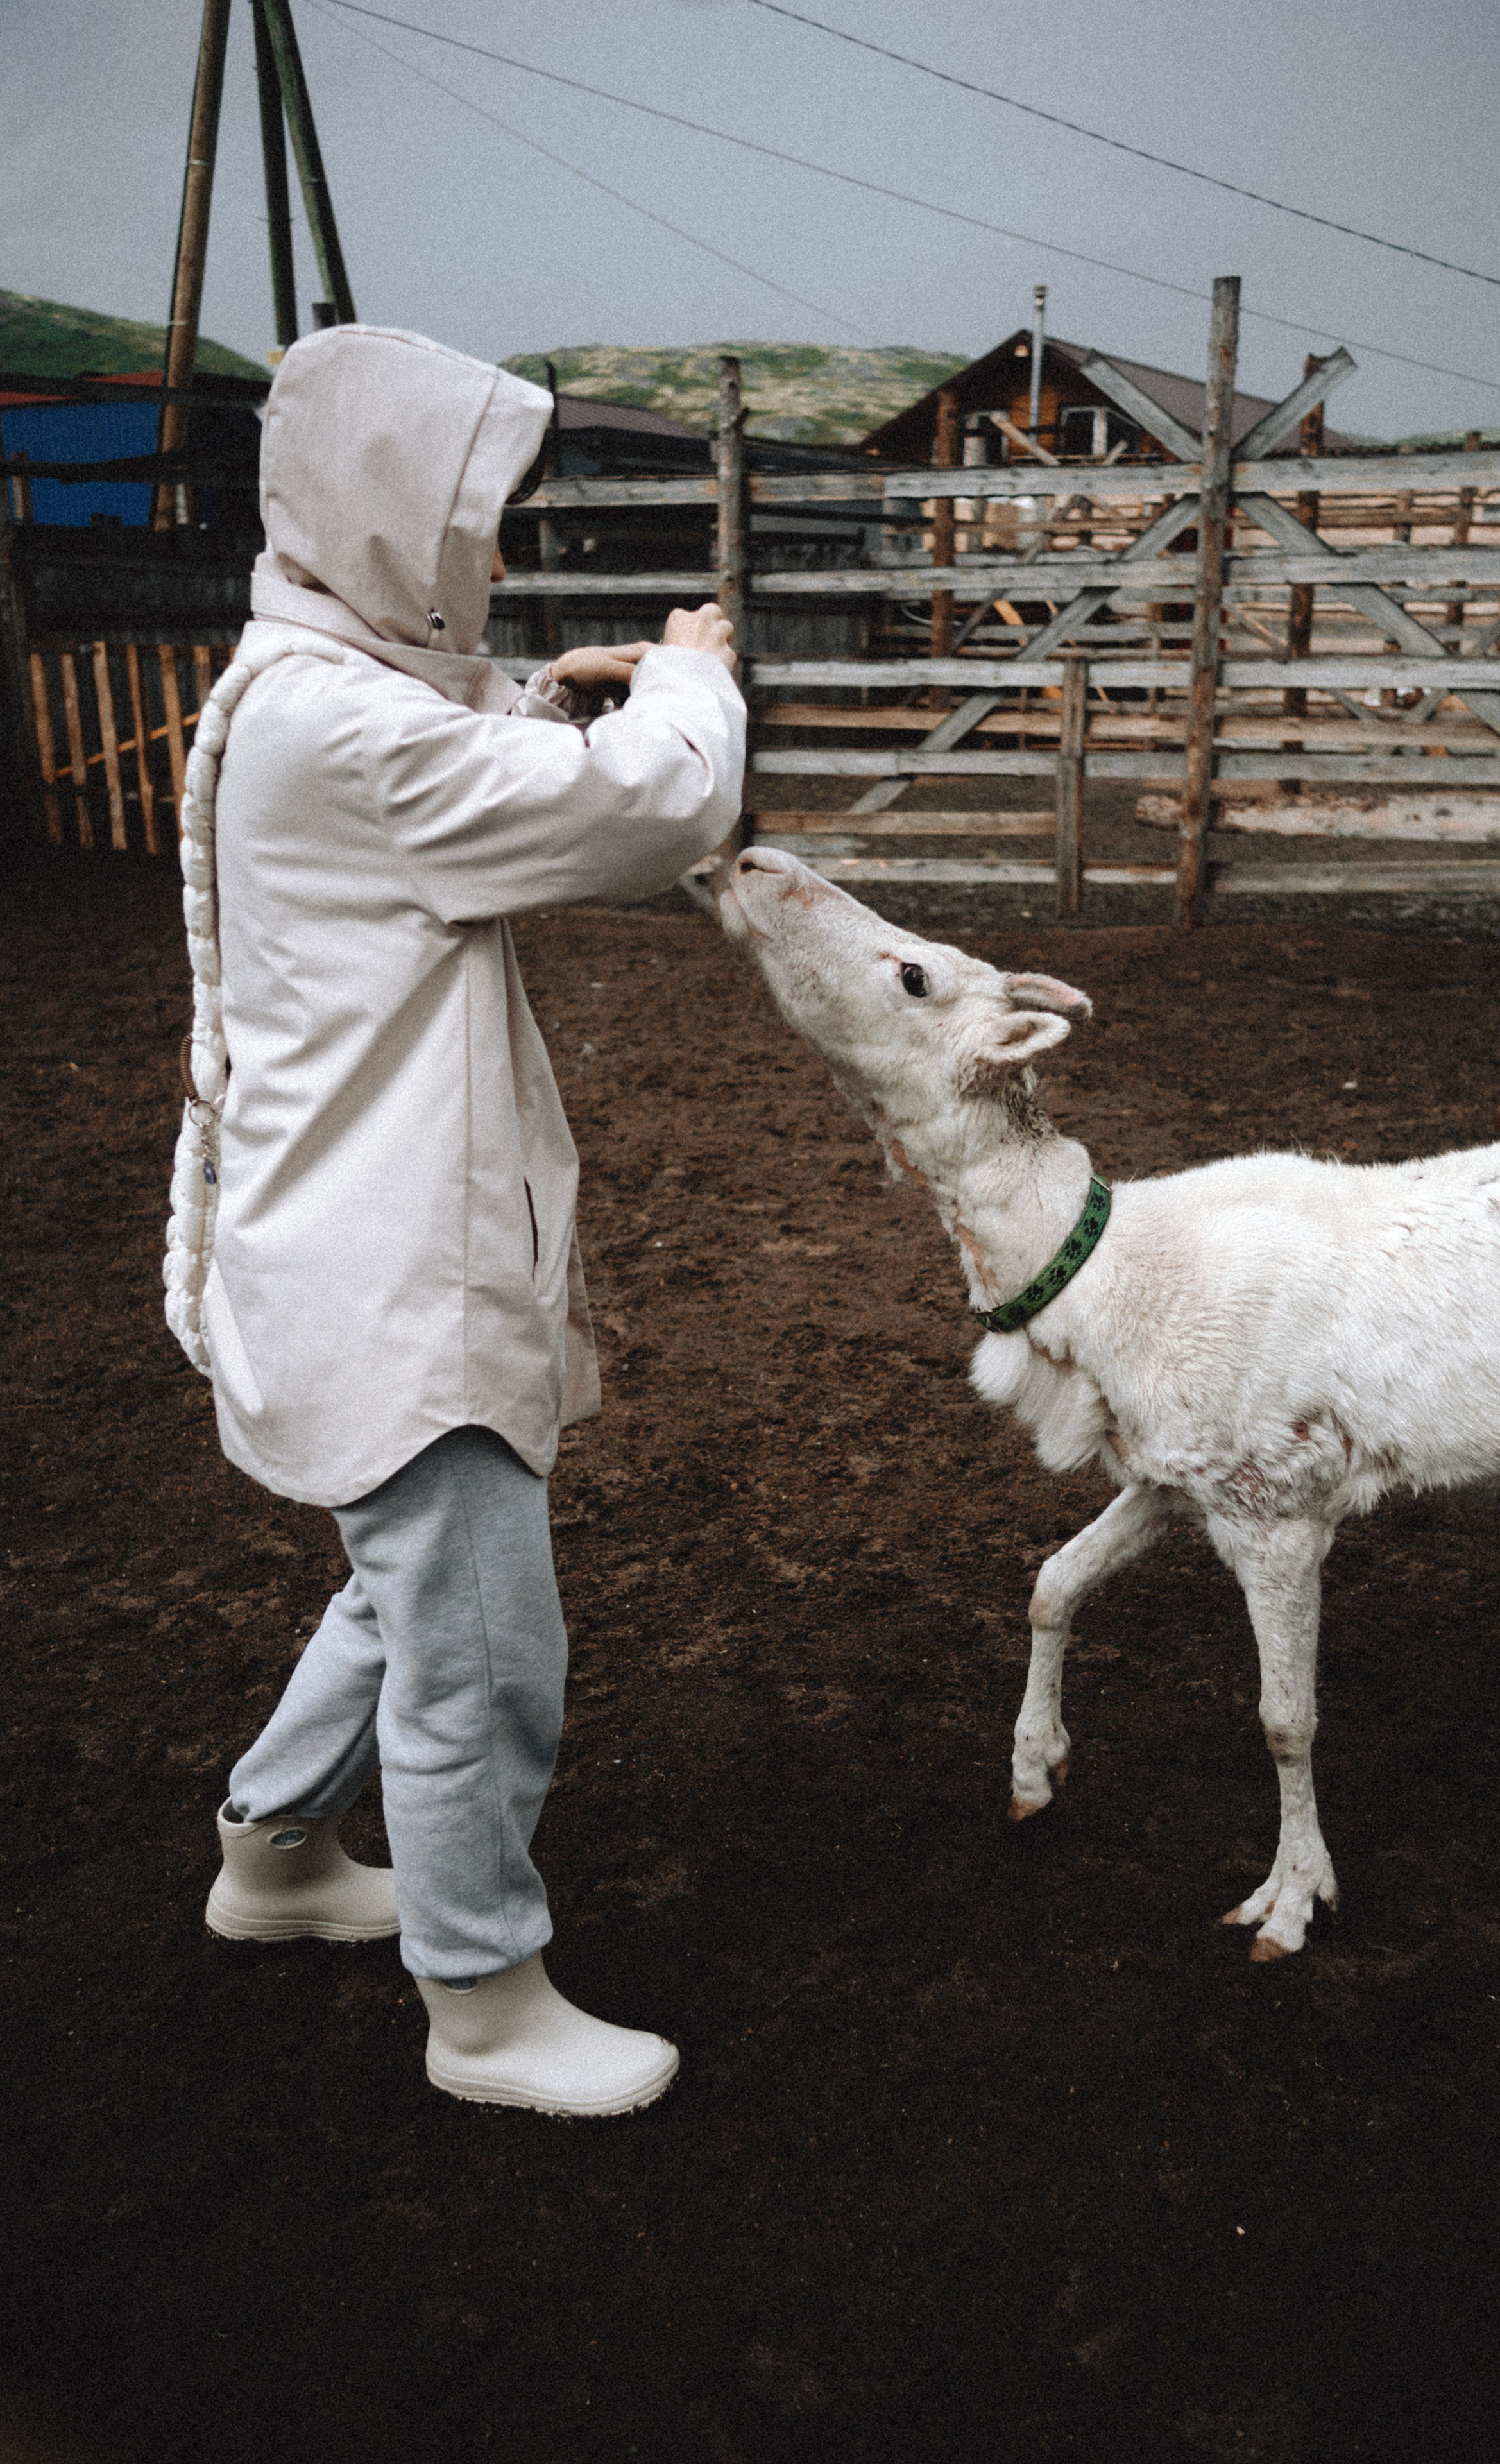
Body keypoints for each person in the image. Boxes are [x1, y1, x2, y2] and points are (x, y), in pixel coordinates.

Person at [181, 325, 743, 2118]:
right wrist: (686, 686)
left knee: (404, 1583)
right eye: (477, 521)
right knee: (483, 1647)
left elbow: (445, 753)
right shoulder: (341, 729)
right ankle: (483, 2000)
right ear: (390, 516)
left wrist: (543, 698)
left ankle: (275, 1854)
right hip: (393, 1265)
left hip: (345, 1241)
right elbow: (648, 813)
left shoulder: (298, 674)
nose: (494, 557)